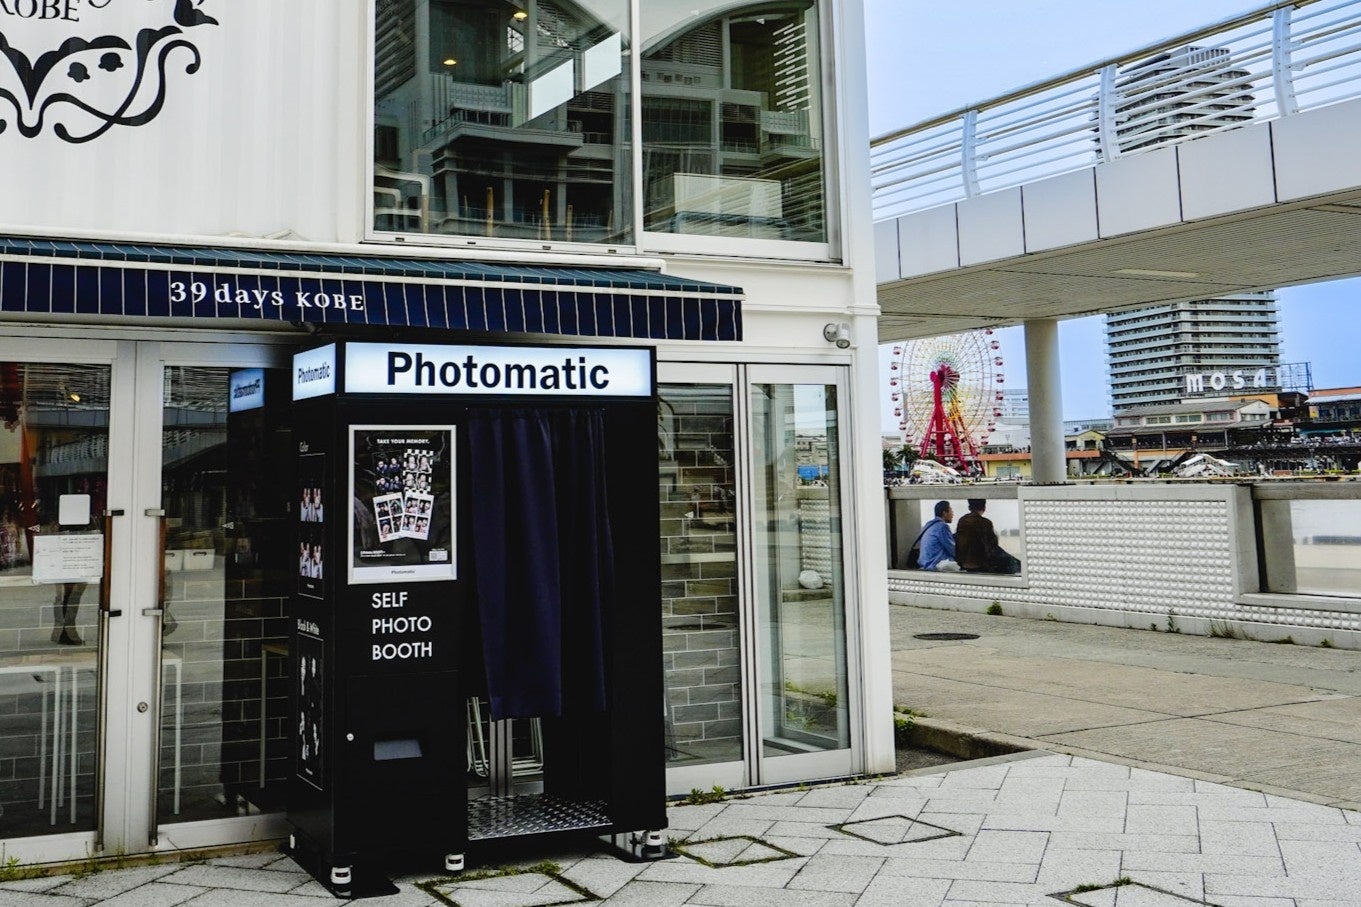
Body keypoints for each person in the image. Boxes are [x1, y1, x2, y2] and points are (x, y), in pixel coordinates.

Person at [955, 498, 1022, 574]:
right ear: (984, 508)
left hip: (964, 563)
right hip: (980, 565)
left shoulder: (962, 521)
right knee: (1013, 563)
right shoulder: (985, 523)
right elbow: (992, 547)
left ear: (969, 507)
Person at [918, 500, 960, 571]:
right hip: (935, 565)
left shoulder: (929, 525)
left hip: (926, 564)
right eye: (951, 511)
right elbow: (953, 550)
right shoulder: (942, 526)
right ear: (944, 513)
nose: (953, 514)